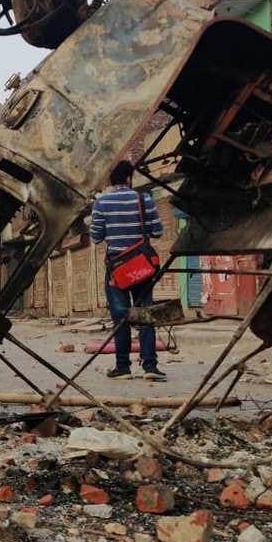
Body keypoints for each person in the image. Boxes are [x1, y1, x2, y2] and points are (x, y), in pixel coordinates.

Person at [90, 160, 165, 380]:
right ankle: (150, 367)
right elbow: (158, 231)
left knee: (120, 317)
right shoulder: (145, 199)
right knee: (145, 314)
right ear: (129, 178)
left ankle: (122, 367)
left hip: (117, 270)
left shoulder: (101, 203)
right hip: (142, 267)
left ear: (110, 180)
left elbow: (96, 237)